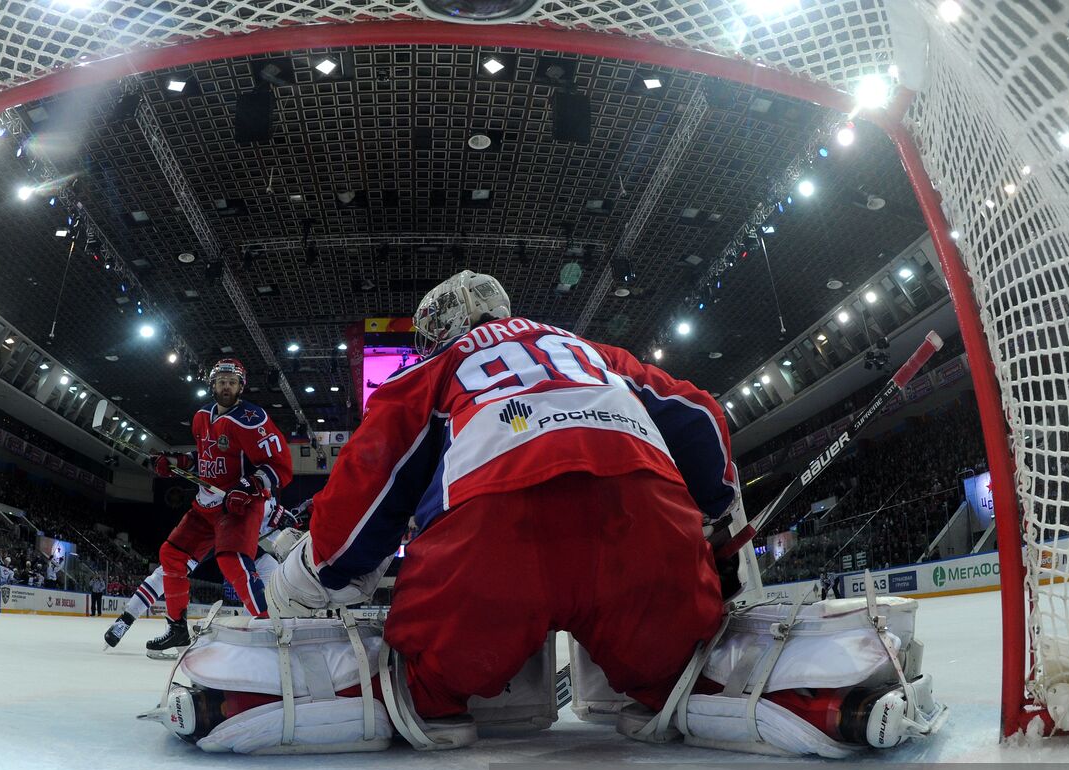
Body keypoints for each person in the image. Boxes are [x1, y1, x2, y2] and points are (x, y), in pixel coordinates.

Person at [266, 270, 734, 733]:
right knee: (678, 675)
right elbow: (702, 415)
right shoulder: (598, 355)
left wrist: (319, 569)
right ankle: (683, 688)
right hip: (643, 528)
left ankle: (425, 699)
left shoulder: (433, 370)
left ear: (436, 333)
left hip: (494, 543)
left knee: (423, 685)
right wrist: (716, 519)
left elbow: (369, 476)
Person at [144, 358, 293, 657]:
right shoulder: (201, 416)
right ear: (212, 384)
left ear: (241, 386)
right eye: (221, 381)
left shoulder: (252, 418)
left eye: (232, 381)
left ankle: (268, 630)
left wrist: (249, 485)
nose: (226, 386)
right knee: (172, 554)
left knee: (232, 560)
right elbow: (205, 457)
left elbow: (281, 467)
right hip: (206, 504)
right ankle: (176, 630)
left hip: (239, 505)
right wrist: (175, 463)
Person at [103, 497, 297, 649]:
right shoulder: (233, 487)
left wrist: (283, 525)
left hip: (239, 549)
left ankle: (253, 631)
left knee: (272, 572)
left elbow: (276, 535)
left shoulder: (261, 496)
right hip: (213, 539)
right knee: (168, 574)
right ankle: (127, 621)